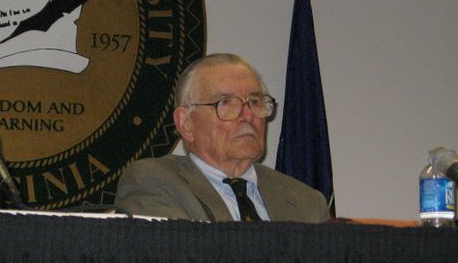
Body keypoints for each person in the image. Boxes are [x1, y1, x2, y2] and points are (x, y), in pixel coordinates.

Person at [115, 53, 330, 222]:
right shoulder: (154, 181)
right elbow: (179, 260)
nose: (248, 116)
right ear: (186, 124)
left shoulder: (308, 202)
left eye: (255, 102)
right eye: (226, 103)